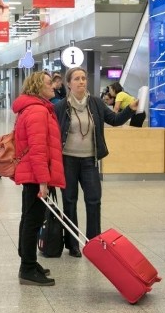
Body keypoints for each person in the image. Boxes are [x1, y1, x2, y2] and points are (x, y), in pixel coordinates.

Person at [55, 67, 136, 257]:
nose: (82, 81)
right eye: (77, 79)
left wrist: (130, 110)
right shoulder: (60, 107)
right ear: (69, 84)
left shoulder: (96, 103)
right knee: (69, 200)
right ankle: (72, 243)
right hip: (67, 160)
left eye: (84, 78)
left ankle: (94, 242)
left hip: (89, 160)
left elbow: (115, 120)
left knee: (93, 200)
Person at [12, 71, 65, 286]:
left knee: (29, 218)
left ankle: (29, 261)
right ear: (37, 87)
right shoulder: (37, 111)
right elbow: (38, 149)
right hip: (36, 175)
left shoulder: (34, 108)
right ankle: (27, 268)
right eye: (48, 83)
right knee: (33, 221)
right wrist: (44, 181)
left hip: (33, 173)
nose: (53, 86)